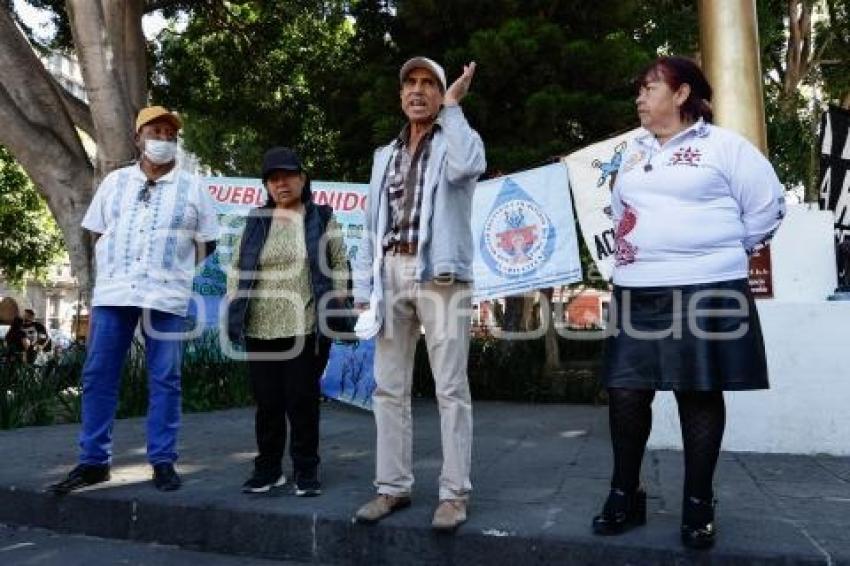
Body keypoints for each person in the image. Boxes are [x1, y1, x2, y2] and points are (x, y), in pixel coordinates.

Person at [591, 57, 786, 549]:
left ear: (681, 95)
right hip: (638, 287)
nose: (640, 97)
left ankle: (698, 503)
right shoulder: (630, 152)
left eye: (650, 87)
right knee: (626, 391)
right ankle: (624, 492)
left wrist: (716, 250)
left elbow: (767, 206)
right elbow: (619, 211)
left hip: (707, 287)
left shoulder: (724, 147)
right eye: (639, 89)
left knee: (698, 392)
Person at [49, 106, 219, 495]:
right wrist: (113, 267)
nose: (162, 139)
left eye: (169, 133)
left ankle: (162, 461)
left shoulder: (193, 187)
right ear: (138, 137)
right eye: (155, 131)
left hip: (167, 295)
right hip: (115, 292)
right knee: (98, 375)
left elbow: (207, 243)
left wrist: (175, 269)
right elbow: (95, 231)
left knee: (166, 378)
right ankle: (93, 462)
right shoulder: (115, 182)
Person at [352, 57, 486, 532]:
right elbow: (371, 227)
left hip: (441, 274)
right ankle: (392, 486)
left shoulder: (456, 142)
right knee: (388, 387)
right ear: (400, 94)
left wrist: (453, 108)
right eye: (410, 82)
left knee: (450, 387)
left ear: (442, 94)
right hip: (391, 269)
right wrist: (366, 287)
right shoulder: (383, 155)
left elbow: (472, 165)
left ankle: (453, 495)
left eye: (430, 84)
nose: (418, 90)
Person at [227, 147, 350, 497]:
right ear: (266, 185)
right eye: (273, 178)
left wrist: (339, 296)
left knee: (301, 399)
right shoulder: (255, 220)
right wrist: (233, 294)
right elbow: (237, 265)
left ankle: (306, 468)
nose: (281, 183)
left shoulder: (322, 217)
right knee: (267, 402)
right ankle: (267, 468)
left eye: (288, 176)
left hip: (305, 323)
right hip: (259, 325)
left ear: (302, 179)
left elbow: (339, 262)